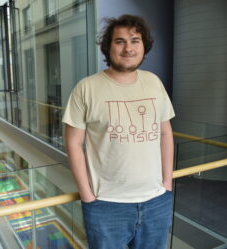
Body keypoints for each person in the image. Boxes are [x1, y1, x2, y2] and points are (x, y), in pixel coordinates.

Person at [62, 14, 175, 249]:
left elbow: (165, 133)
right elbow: (73, 144)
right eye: (120, 41)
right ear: (108, 47)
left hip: (156, 201)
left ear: (144, 46)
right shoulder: (86, 88)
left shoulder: (154, 82)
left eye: (135, 40)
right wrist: (87, 196)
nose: (128, 48)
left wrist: (167, 183)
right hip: (106, 205)